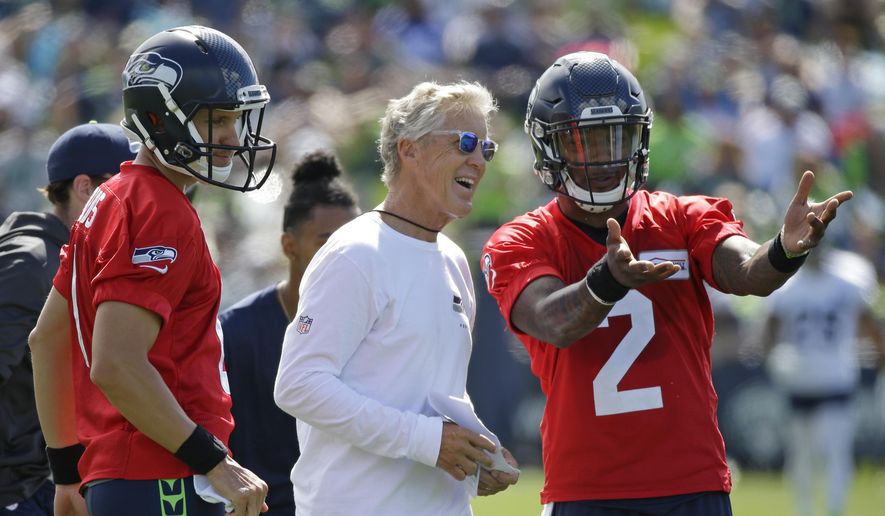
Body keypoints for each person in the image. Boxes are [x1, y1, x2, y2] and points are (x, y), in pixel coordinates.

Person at [480, 51, 853, 516]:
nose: (607, 158)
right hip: (588, 489)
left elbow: (747, 273)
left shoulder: (679, 216)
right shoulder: (523, 238)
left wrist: (784, 249)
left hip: (691, 480)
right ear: (549, 148)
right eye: (588, 143)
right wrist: (607, 281)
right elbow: (550, 320)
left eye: (618, 138)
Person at [27, 25, 277, 516]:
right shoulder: (157, 208)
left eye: (236, 118)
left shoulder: (110, 198)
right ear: (161, 118)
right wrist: (214, 463)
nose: (233, 136)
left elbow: (48, 340)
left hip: (124, 479)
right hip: (164, 476)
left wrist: (65, 473)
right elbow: (117, 362)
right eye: (217, 119)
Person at [273, 81, 520, 516]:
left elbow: (429, 396)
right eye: (465, 142)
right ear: (410, 149)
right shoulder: (356, 252)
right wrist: (425, 441)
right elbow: (299, 385)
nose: (479, 160)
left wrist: (479, 452)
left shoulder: (453, 259)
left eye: (487, 148)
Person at [0, 122, 136, 515]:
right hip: (18, 492)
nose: (137, 198)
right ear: (84, 188)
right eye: (124, 185)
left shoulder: (77, 257)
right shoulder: (29, 261)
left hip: (48, 482)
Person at [219, 150, 360, 516]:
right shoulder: (237, 333)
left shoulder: (378, 330)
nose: (343, 255)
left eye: (354, 243)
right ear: (289, 246)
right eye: (326, 241)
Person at [762, 247, 883, 516]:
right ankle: (816, 510)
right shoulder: (846, 282)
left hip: (819, 378)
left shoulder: (796, 287)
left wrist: (769, 360)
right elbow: (870, 328)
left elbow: (768, 336)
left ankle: (825, 509)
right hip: (818, 377)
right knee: (809, 456)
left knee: (824, 455)